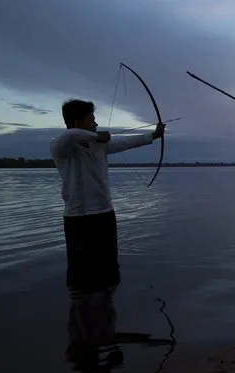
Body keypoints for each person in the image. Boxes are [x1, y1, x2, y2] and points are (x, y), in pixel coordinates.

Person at [51, 99, 165, 290]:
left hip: (105, 215)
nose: (95, 123)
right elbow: (70, 135)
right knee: (80, 273)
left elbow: (126, 142)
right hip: (78, 219)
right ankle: (81, 311)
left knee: (110, 270)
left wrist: (153, 135)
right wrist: (96, 137)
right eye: (91, 119)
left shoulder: (99, 146)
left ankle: (108, 311)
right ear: (78, 122)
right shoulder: (62, 147)